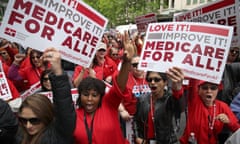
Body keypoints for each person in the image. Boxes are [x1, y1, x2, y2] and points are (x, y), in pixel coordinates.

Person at [73, 31, 135, 144]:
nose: (90, 99)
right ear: (79, 95)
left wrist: (127, 62)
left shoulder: (109, 104)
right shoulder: (73, 116)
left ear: (101, 96)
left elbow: (119, 86)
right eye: (86, 95)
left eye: (94, 95)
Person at [14, 48, 76, 144]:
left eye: (34, 120)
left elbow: (64, 104)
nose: (28, 125)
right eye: (23, 120)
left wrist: (58, 72)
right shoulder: (19, 136)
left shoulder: (58, 134)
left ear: (46, 117)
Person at [178, 80, 240, 144]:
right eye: (205, 88)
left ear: (217, 90)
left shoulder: (223, 106)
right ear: (199, 90)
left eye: (213, 88)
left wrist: (228, 121)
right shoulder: (194, 101)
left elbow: (237, 129)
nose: (209, 91)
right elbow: (190, 85)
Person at [134, 68, 184, 144]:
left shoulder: (170, 99)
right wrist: (138, 137)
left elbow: (180, 107)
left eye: (157, 80)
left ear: (165, 82)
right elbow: (136, 120)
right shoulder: (142, 99)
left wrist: (177, 89)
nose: (152, 82)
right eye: (150, 80)